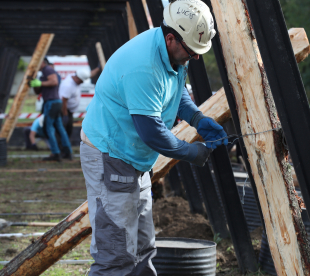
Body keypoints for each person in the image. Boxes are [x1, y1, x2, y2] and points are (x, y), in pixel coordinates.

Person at [80, 1, 226, 275]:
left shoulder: (171, 52)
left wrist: (198, 119)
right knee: (116, 254)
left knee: (143, 248)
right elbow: (152, 133)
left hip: (134, 157)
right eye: (192, 51)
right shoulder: (143, 67)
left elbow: (176, 89)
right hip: (112, 154)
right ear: (171, 37)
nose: (195, 58)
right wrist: (191, 152)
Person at [29, 57, 73, 161]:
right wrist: (34, 82)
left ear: (42, 63)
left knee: (48, 128)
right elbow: (37, 91)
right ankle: (67, 152)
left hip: (52, 103)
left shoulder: (47, 69)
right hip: (56, 103)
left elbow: (54, 82)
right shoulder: (43, 74)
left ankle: (56, 153)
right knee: (60, 128)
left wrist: (40, 83)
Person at [59, 69, 91, 139]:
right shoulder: (68, 85)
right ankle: (62, 146)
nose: (81, 83)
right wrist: (65, 115)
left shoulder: (74, 77)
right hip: (65, 111)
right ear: (77, 78)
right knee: (65, 129)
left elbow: (90, 74)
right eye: (81, 81)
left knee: (69, 129)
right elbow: (63, 101)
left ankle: (65, 145)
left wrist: (98, 69)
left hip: (69, 111)